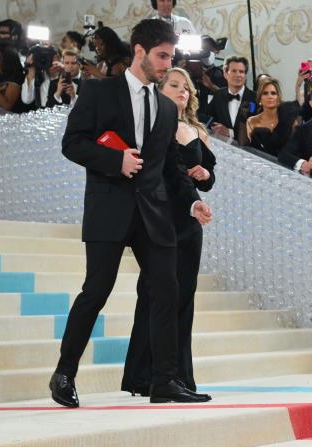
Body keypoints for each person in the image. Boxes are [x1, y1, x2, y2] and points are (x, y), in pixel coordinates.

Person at [49, 19, 213, 408]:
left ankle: (164, 381)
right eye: (162, 56)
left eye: (170, 57)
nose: (166, 63)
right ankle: (63, 374)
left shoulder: (166, 109)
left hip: (154, 212)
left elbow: (169, 168)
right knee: (96, 290)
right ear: (139, 51)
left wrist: (191, 201)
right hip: (110, 207)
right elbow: (72, 144)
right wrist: (114, 160)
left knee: (167, 290)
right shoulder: (98, 91)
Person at [122, 67, 215, 396]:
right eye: (174, 85)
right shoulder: (147, 126)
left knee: (182, 300)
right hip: (159, 218)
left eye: (187, 88)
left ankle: (176, 377)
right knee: (153, 296)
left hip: (190, 222)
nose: (182, 92)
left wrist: (204, 174)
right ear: (158, 90)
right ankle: (143, 375)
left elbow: (209, 175)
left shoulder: (196, 131)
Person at [243, 77, 295, 156]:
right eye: (265, 93)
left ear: (278, 97)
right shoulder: (251, 121)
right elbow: (247, 148)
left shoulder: (288, 120)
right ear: (260, 98)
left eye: (273, 93)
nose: (269, 97)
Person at [205, 55, 252, 141]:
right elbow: (208, 119)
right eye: (234, 71)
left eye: (241, 72)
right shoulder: (218, 95)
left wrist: (230, 132)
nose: (238, 75)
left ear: (245, 76)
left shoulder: (254, 98)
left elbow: (257, 131)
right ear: (225, 74)